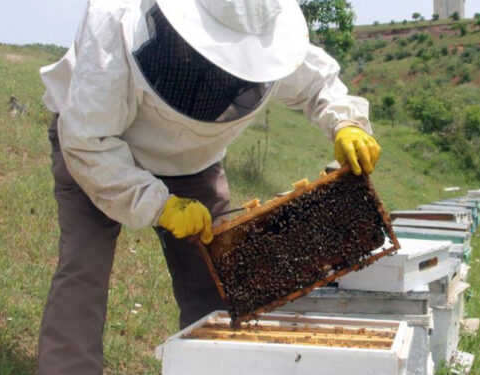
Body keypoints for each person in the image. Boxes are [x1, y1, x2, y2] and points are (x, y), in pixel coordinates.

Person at [36, 0, 381, 373]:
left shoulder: (263, 34)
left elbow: (316, 82)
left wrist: (347, 123)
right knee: (85, 266)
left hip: (193, 163)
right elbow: (88, 141)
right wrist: (160, 206)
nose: (226, 69)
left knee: (216, 275)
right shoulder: (115, 22)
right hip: (98, 147)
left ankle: (215, 366)